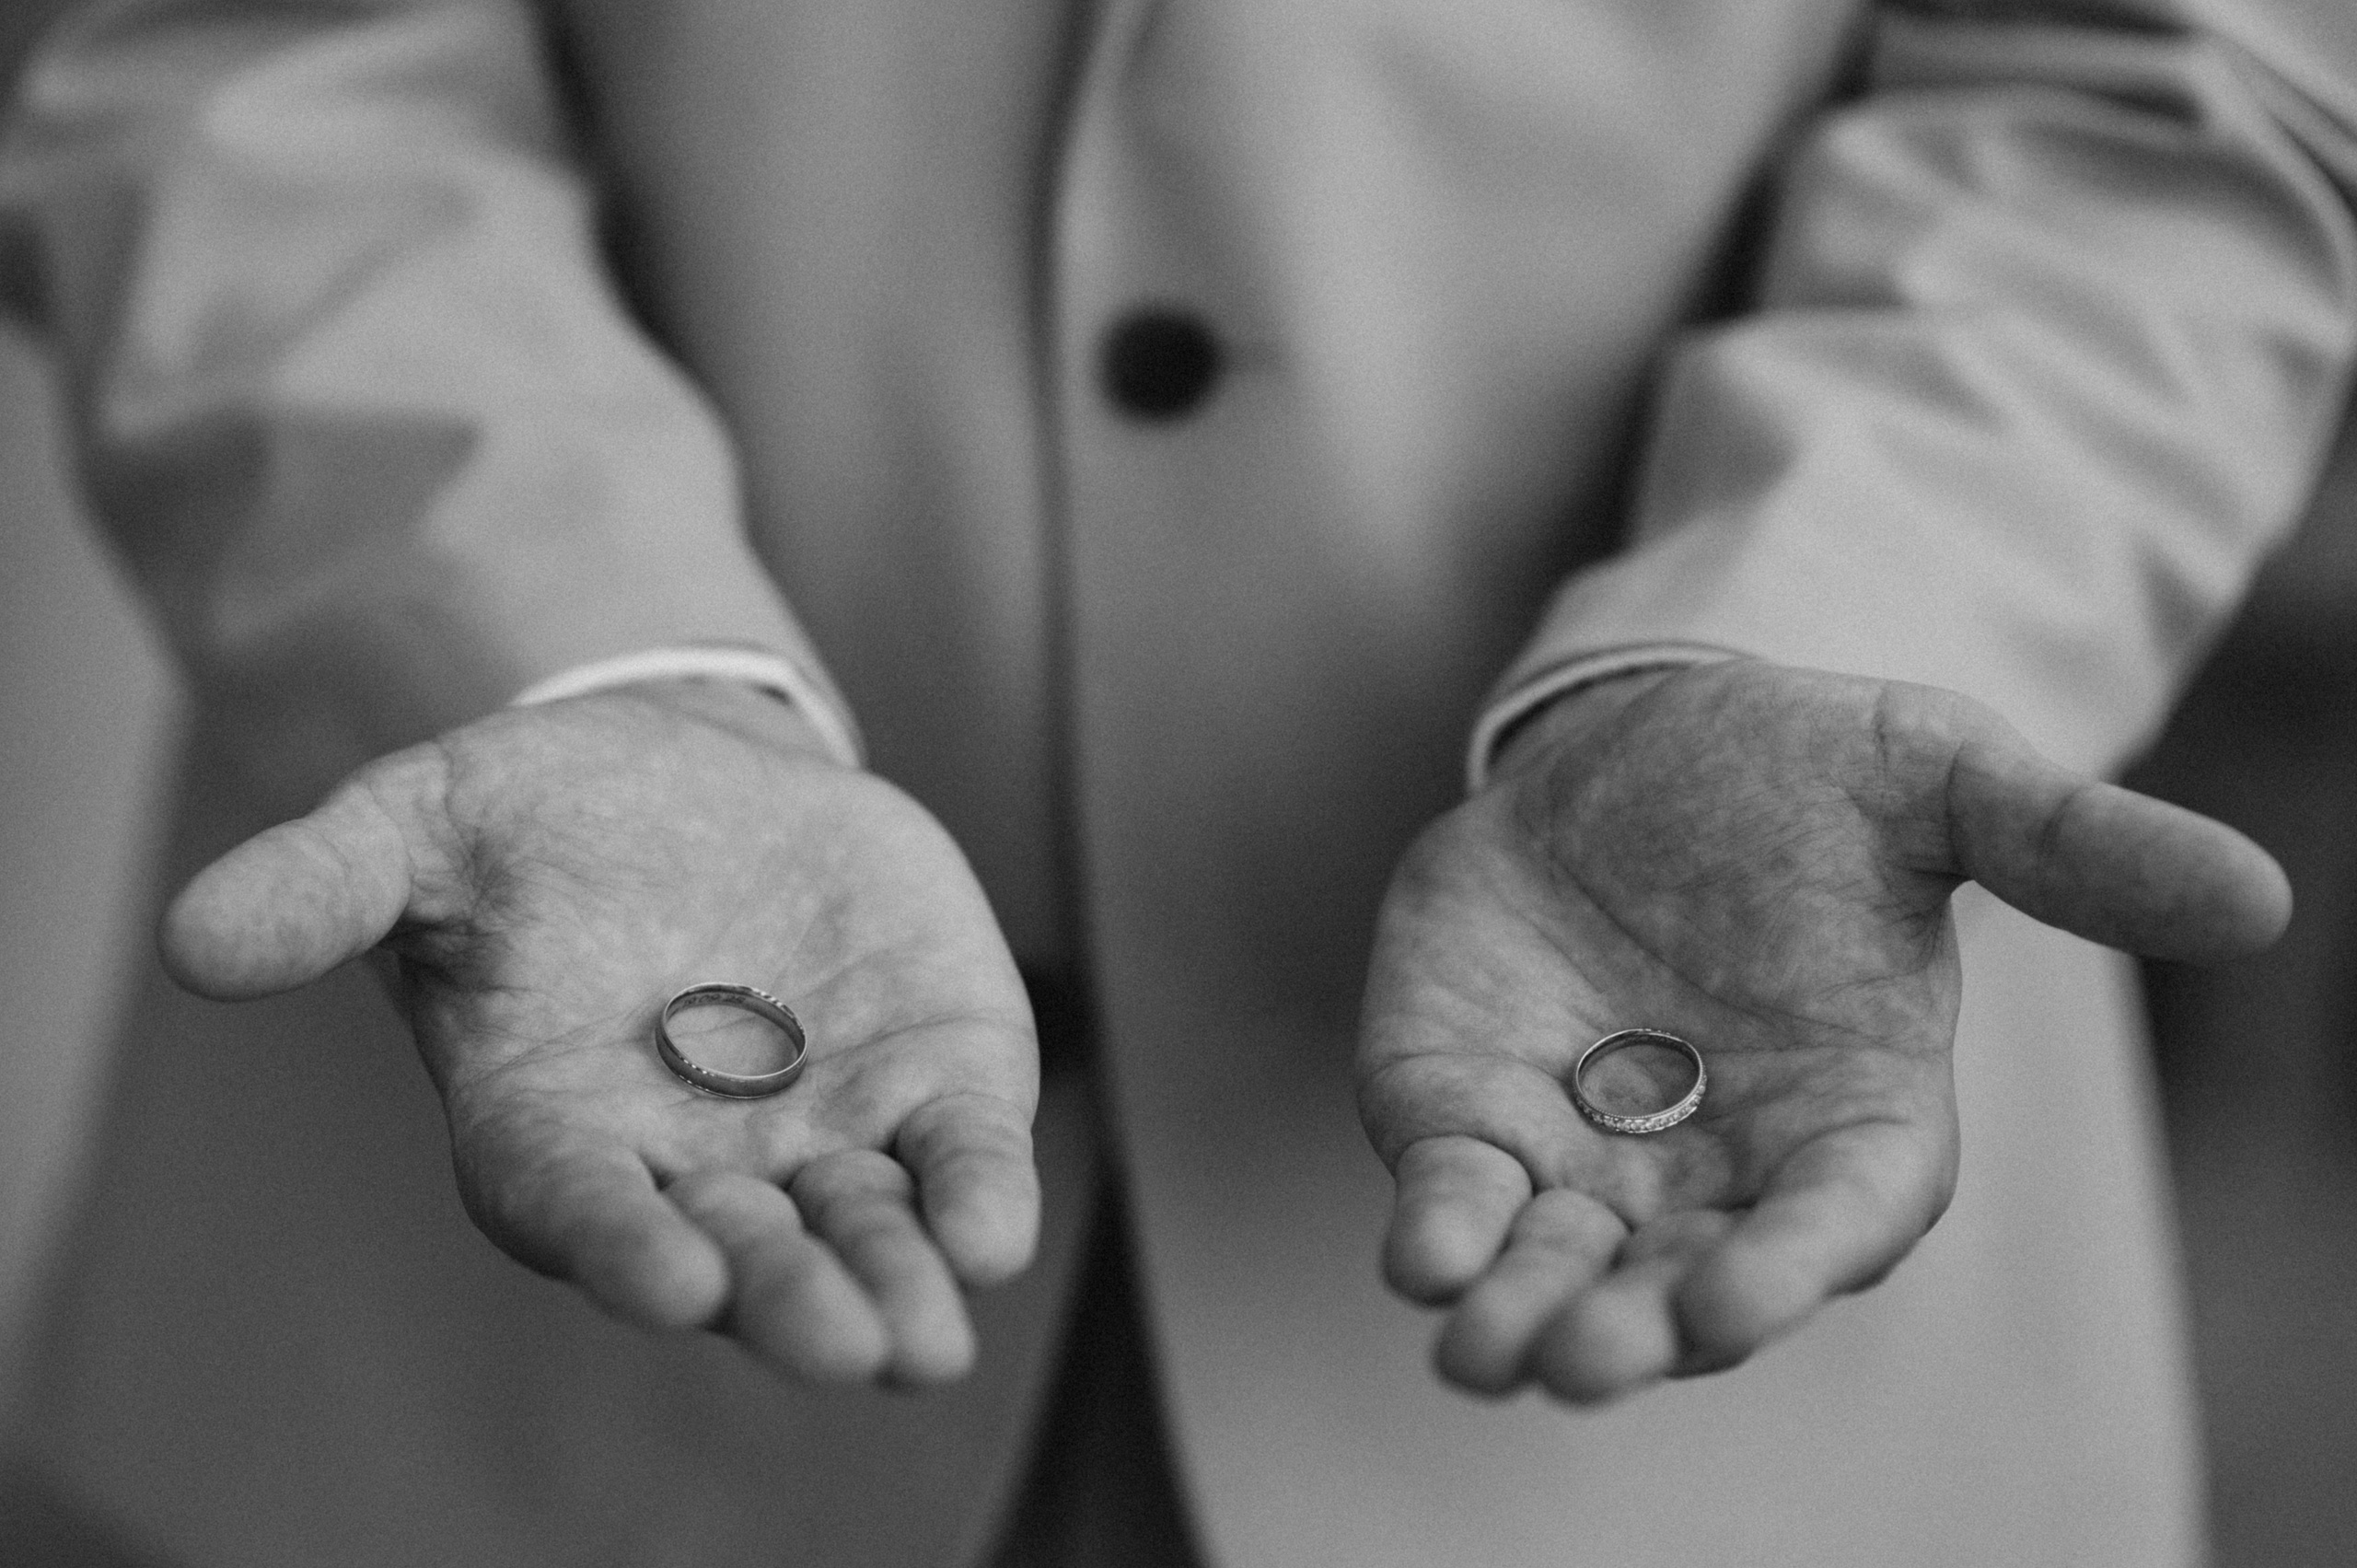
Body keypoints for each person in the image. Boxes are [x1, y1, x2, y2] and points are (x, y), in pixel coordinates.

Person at [1, 0, 2351, 1563]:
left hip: (1724, 1388)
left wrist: (1821, 625)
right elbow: (238, 53)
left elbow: (2149, 99)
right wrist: (576, 652)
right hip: (463, 1361)